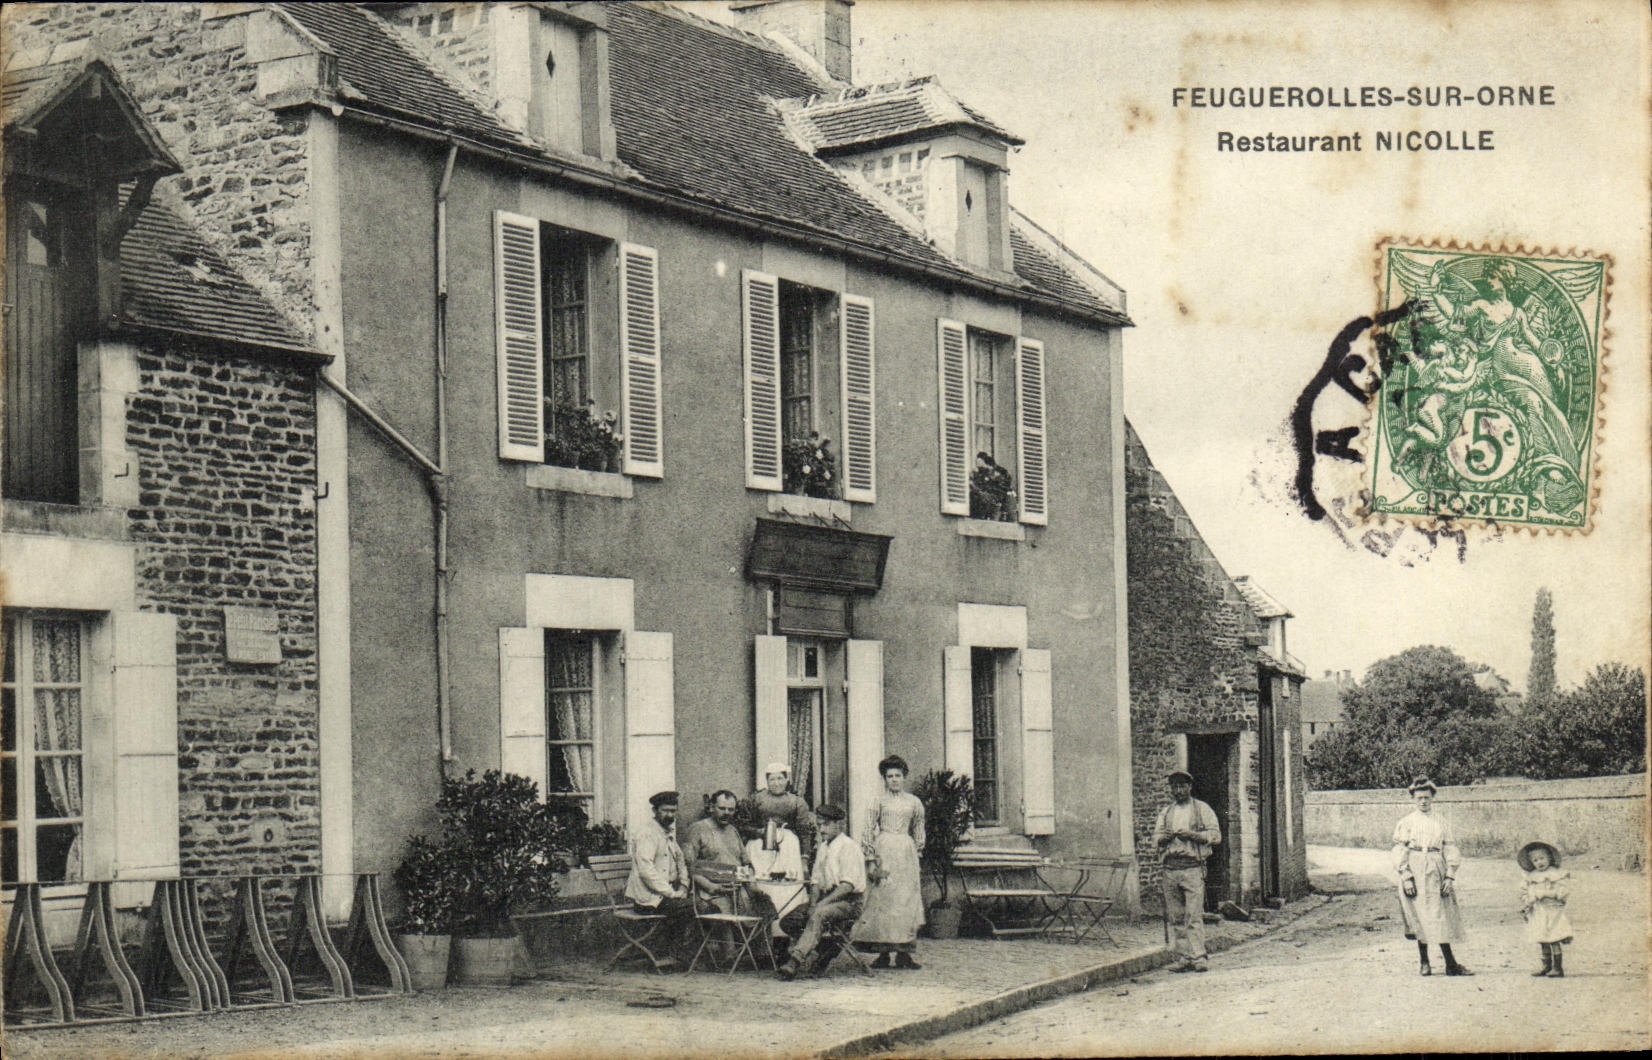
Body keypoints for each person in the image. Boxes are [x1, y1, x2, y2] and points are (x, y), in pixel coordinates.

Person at [851, 754, 925, 969]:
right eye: (890, 776)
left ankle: (904, 954)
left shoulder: (914, 802)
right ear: (884, 779)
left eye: (898, 775)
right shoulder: (878, 801)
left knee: (906, 902)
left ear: (904, 777)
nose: (894, 780)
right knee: (883, 902)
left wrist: (917, 850)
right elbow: (867, 830)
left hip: (906, 854)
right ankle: (882, 954)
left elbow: (919, 829)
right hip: (884, 850)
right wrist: (871, 858)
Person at [1392, 777, 1472, 976]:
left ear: (1433, 798)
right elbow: (1399, 849)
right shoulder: (1407, 822)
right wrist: (1406, 875)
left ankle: (1450, 964)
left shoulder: (1441, 821)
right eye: (1419, 798)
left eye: (1427, 797)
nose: (1423, 802)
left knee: (1440, 915)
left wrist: (1450, 875)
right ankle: (1424, 962)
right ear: (1413, 799)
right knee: (1419, 914)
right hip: (1415, 865)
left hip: (1436, 866)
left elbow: (1450, 847)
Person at [776, 804, 866, 980]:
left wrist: (819, 905)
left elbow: (847, 886)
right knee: (789, 920)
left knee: (819, 914)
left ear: (839, 824)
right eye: (819, 825)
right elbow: (816, 881)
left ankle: (794, 961)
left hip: (849, 902)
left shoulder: (849, 847)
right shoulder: (824, 847)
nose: (821, 829)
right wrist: (812, 903)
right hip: (826, 898)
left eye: (825, 825)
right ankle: (826, 947)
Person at [1153, 769, 1222, 973]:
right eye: (1174, 787)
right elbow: (1155, 839)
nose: (1178, 790)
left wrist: (1193, 835)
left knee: (1193, 915)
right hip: (1170, 868)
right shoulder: (1166, 813)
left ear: (1190, 787)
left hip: (1192, 868)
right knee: (1176, 916)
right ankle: (1183, 957)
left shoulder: (1202, 810)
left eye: (1182, 786)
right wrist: (1164, 838)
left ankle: (1199, 957)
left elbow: (1216, 836)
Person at [625, 790, 695, 962]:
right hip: (649, 898)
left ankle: (678, 951)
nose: (670, 815)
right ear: (655, 811)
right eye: (665, 810)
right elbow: (646, 871)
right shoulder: (647, 834)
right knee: (694, 908)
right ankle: (676, 952)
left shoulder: (667, 833)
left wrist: (684, 886)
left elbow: (681, 862)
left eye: (673, 811)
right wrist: (672, 893)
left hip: (667, 896)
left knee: (704, 907)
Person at [684, 789, 748, 914]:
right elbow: (688, 865)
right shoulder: (697, 829)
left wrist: (750, 887)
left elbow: (745, 862)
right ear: (712, 808)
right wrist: (711, 887)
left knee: (762, 916)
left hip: (738, 892)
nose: (726, 813)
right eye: (722, 808)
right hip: (712, 893)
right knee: (726, 926)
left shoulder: (733, 831)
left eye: (731, 810)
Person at [1518, 840, 1573, 978]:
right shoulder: (1532, 877)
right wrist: (1527, 902)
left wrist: (1549, 894)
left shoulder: (1556, 874)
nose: (1539, 862)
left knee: (1553, 937)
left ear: (1549, 858)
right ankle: (1546, 965)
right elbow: (1525, 891)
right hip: (1539, 910)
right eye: (1535, 860)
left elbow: (1563, 891)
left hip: (1552, 910)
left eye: (1542, 858)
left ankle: (1557, 967)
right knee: (1542, 937)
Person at [747, 762, 816, 874]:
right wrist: (759, 832)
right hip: (761, 842)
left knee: (788, 874)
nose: (776, 783)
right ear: (767, 781)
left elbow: (804, 831)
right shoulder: (757, 799)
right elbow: (746, 824)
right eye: (772, 779)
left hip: (788, 843)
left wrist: (804, 861)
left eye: (780, 778)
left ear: (786, 780)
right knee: (762, 873)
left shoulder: (796, 801)